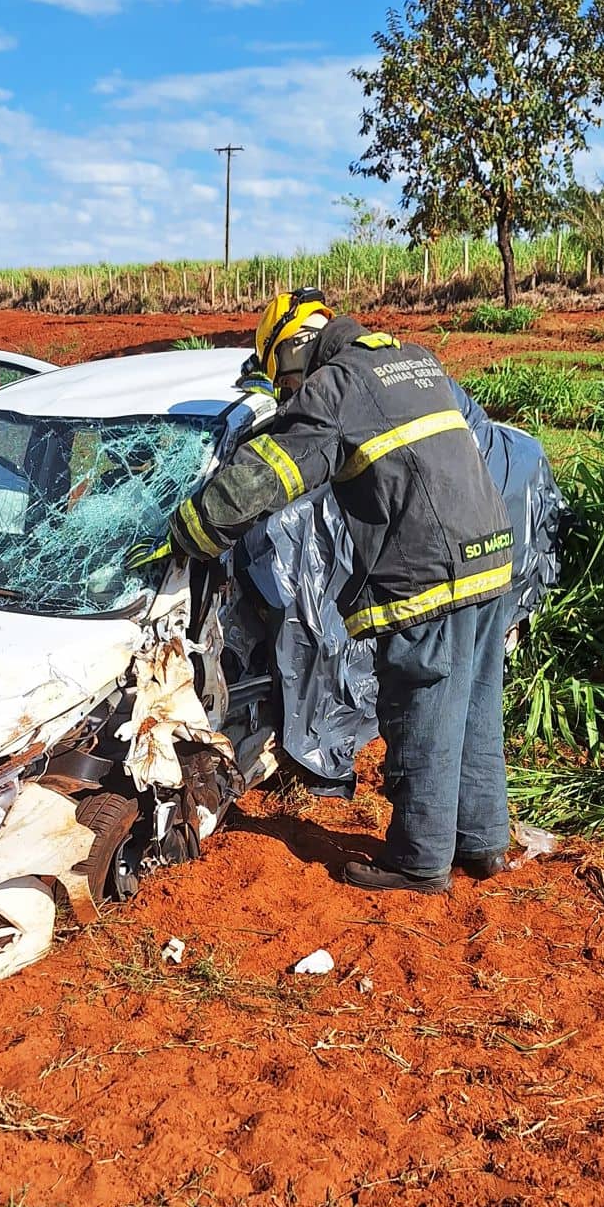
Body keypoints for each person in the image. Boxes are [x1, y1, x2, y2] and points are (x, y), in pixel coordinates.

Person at [168, 289, 517, 893]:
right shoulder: (414, 359)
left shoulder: (337, 389)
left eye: (287, 377)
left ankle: (419, 862)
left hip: (428, 576)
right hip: (490, 558)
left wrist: (188, 532)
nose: (290, 392)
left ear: (299, 347)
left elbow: (265, 478)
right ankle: (482, 844)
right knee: (476, 708)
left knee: (423, 713)